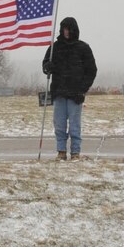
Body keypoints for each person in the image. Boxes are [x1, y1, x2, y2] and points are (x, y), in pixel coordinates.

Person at [42, 17, 97, 161]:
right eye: (64, 29)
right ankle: (61, 151)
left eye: (68, 29)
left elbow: (91, 70)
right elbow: (45, 64)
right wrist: (48, 66)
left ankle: (75, 152)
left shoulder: (83, 48)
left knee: (74, 125)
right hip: (59, 92)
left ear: (74, 30)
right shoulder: (55, 47)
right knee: (59, 125)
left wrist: (83, 89)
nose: (66, 32)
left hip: (75, 94)